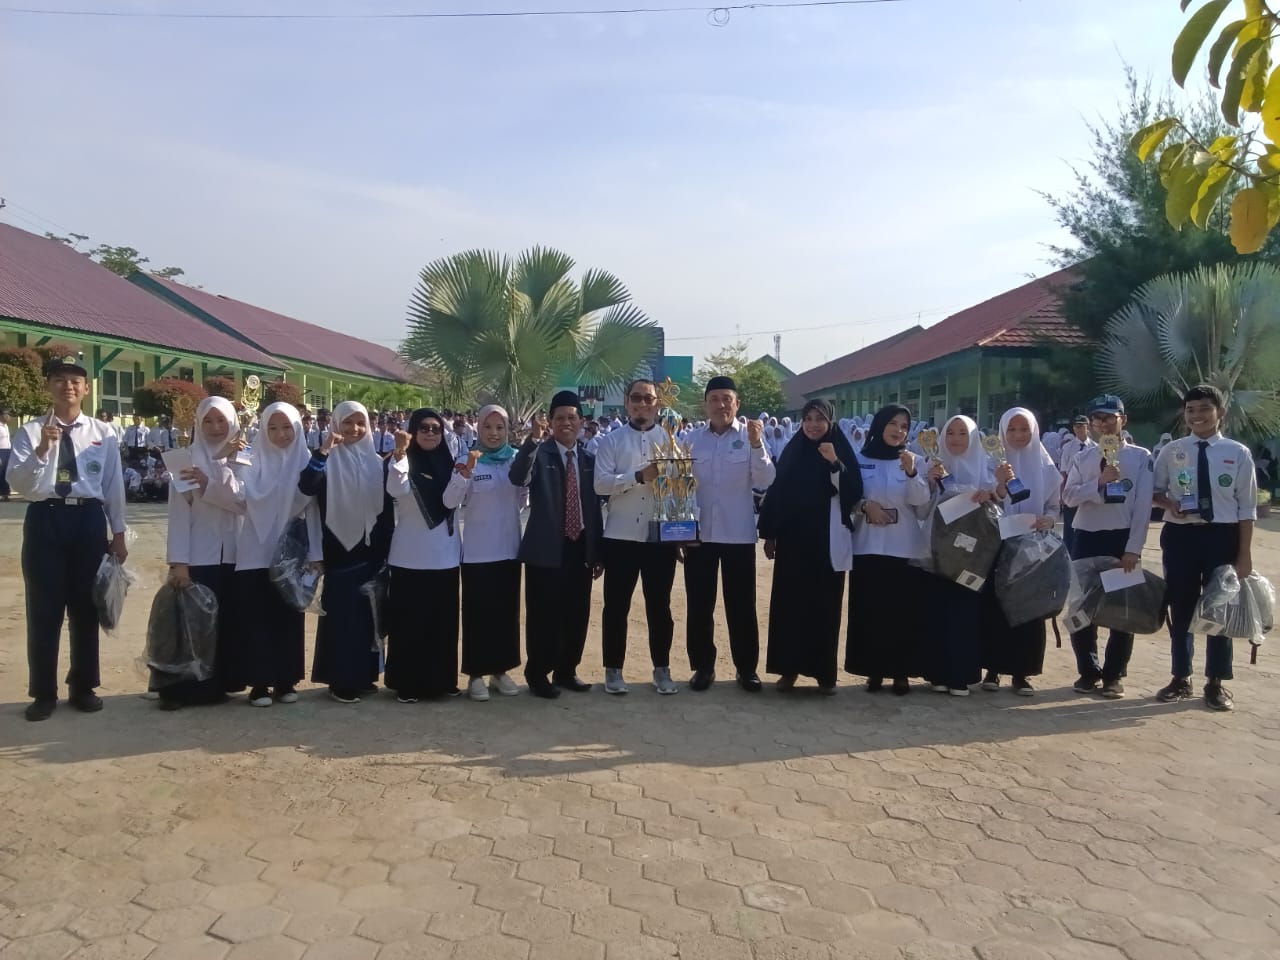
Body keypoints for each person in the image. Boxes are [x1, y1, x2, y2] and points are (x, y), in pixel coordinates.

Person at [6, 355, 128, 721]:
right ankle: (43, 692)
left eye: (75, 380)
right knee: (43, 609)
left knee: (85, 607)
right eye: (59, 379)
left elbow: (113, 485)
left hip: (87, 519)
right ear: (49, 386)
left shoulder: (103, 433)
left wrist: (118, 531)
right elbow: (18, 483)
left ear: (86, 388)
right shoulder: (30, 432)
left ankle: (83, 686)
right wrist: (42, 451)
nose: (68, 386)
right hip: (45, 518)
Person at [1151, 384, 1255, 711]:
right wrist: (1169, 503)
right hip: (1181, 536)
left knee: (1218, 608)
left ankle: (1216, 682)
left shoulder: (1238, 453)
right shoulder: (1172, 451)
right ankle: (1181, 676)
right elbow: (1155, 492)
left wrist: (1244, 554)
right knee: (1180, 607)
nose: (1197, 416)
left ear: (1220, 412)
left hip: (1222, 537)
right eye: (1191, 409)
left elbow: (1247, 508)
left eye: (1205, 409)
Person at [220, 402, 321, 707]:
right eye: (273, 428)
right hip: (255, 549)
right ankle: (259, 683)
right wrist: (232, 462)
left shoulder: (307, 462)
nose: (281, 434)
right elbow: (238, 498)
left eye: (287, 427)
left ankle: (286, 680)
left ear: (298, 428)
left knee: (288, 616)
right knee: (256, 617)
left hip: (292, 553)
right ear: (263, 430)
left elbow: (313, 512)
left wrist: (316, 553)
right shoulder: (251, 459)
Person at [758, 399, 861, 694]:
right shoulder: (794, 450)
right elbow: (777, 491)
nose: (813, 424)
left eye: (819, 418)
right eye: (808, 418)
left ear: (830, 421)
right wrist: (770, 533)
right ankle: (788, 669)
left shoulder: (839, 449)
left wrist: (834, 462)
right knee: (789, 605)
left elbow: (854, 491)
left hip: (827, 539)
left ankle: (824, 674)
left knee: (824, 606)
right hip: (794, 541)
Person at [684, 376, 775, 693]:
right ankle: (702, 667)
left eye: (727, 399)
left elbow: (765, 480)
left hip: (738, 534)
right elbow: (680, 486)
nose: (720, 405)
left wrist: (756, 444)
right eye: (714, 399)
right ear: (705, 404)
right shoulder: (692, 440)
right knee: (699, 605)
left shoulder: (751, 437)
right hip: (699, 535)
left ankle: (746, 669)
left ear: (737, 404)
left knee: (741, 606)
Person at [299, 401, 394, 704]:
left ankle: (364, 675)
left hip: (370, 551)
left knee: (368, 617)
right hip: (337, 549)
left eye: (360, 423)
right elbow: (306, 488)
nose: (354, 429)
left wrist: (387, 549)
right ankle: (340, 680)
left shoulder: (377, 462)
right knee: (341, 617)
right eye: (348, 423)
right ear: (336, 425)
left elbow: (387, 511)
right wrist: (324, 451)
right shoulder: (325, 461)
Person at [511, 391, 604, 697]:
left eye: (572, 418)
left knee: (576, 613)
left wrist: (597, 550)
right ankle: (538, 673)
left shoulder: (589, 459)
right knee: (543, 615)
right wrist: (532, 442)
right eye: (560, 418)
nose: (566, 423)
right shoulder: (540, 453)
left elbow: (594, 508)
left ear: (582, 422)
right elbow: (518, 477)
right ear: (550, 422)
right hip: (546, 548)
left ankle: (567, 670)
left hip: (580, 547)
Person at [1061, 395, 1153, 700]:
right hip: (1086, 537)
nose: (1103, 424)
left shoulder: (1140, 457)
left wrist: (1133, 548)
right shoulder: (1084, 458)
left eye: (1109, 418)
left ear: (1122, 420)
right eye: (1097, 419)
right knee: (1082, 606)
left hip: (1121, 539)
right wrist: (1099, 483)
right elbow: (1069, 497)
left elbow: (1142, 507)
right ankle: (1088, 671)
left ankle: (1114, 675)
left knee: (1121, 609)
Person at [156, 396, 244, 709]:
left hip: (234, 555)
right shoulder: (184, 459)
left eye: (222, 420)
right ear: (198, 423)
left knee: (224, 624)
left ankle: (217, 686)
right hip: (198, 556)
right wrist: (179, 562)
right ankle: (180, 690)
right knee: (191, 626)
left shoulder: (244, 457)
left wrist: (213, 478)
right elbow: (178, 513)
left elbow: (244, 502)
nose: (216, 427)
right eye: (208, 420)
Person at [593, 378, 680, 695]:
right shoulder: (611, 441)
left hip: (659, 537)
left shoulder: (671, 442)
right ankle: (613, 669)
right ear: (626, 402)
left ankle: (662, 668)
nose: (642, 404)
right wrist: (638, 476)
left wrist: (682, 529)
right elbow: (600, 485)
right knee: (616, 607)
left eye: (648, 398)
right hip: (621, 536)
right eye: (636, 398)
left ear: (657, 403)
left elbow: (683, 489)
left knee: (660, 607)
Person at [844, 405, 932, 694]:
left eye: (904, 426)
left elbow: (921, 506)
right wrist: (864, 506)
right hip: (867, 547)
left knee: (902, 614)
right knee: (870, 612)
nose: (898, 430)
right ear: (880, 425)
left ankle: (901, 673)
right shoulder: (859, 460)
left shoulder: (914, 461)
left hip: (903, 548)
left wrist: (912, 473)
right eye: (892, 423)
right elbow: (849, 498)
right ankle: (873, 670)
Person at [384, 408, 467, 702]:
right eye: (424, 428)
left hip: (445, 557)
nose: (430, 433)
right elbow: (396, 489)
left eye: (436, 428)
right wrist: (399, 454)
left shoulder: (451, 464)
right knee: (410, 624)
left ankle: (442, 681)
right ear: (413, 432)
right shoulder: (402, 461)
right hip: (410, 558)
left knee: (442, 624)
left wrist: (462, 478)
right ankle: (408, 684)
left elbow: (451, 501)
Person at [980, 407, 1061, 696]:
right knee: (996, 606)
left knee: (1028, 608)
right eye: (1011, 429)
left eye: (1024, 429)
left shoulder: (1046, 466)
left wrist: (1049, 519)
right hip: (998, 543)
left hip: (1032, 545)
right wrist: (1000, 485)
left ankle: (1022, 672)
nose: (1017, 435)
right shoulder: (990, 462)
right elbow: (986, 502)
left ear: (1034, 430)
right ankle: (992, 668)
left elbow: (1054, 505)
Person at [921, 415, 996, 696]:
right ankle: (937, 673)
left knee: (965, 612)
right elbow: (920, 508)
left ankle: (961, 675)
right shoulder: (932, 465)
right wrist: (929, 483)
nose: (955, 439)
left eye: (962, 433)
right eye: (950, 432)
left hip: (972, 555)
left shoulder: (986, 467)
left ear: (973, 437)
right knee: (937, 610)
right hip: (938, 551)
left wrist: (989, 495)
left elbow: (998, 507)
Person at [456, 405, 526, 701]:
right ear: (479, 428)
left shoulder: (515, 460)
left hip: (508, 550)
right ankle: (475, 674)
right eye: (488, 427)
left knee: (506, 614)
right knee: (478, 614)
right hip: (478, 553)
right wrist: (465, 474)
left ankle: (500, 671)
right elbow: (454, 500)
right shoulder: (468, 459)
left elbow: (522, 500)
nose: (494, 433)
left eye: (500, 427)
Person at [1058, 415, 1095, 556]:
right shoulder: (1068, 447)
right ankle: (1069, 556)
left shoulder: (1095, 447)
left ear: (1088, 427)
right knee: (1070, 527)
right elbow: (1063, 472)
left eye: (1081, 426)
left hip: (1090, 489)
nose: (1078, 429)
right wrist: (1062, 495)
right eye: (1075, 426)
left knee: (1088, 524)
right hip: (1072, 490)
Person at [0, 406, 11, 501]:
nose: (8, 416)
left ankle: (5, 493)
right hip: (1, 451)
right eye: (6, 414)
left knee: (6, 473)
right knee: (0, 473)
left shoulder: (5, 426)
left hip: (7, 450)